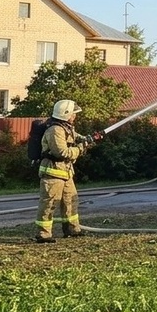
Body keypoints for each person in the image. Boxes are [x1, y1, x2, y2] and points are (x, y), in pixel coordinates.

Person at [34, 99, 92, 243]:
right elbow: (62, 152)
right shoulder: (55, 130)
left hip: (66, 173)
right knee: (50, 203)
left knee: (70, 201)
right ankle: (44, 234)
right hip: (53, 172)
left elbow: (78, 138)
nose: (75, 116)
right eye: (73, 113)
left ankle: (72, 229)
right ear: (66, 114)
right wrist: (79, 148)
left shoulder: (66, 127)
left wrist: (89, 139)